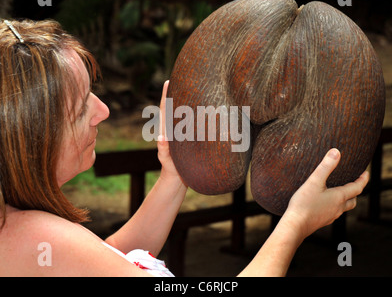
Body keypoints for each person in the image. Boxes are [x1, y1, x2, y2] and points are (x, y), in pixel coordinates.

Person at [0, 19, 368, 277]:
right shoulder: (36, 237)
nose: (104, 111)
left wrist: (174, 177)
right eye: (82, 108)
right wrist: (297, 222)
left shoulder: (23, 230)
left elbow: (103, 261)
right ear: (31, 137)